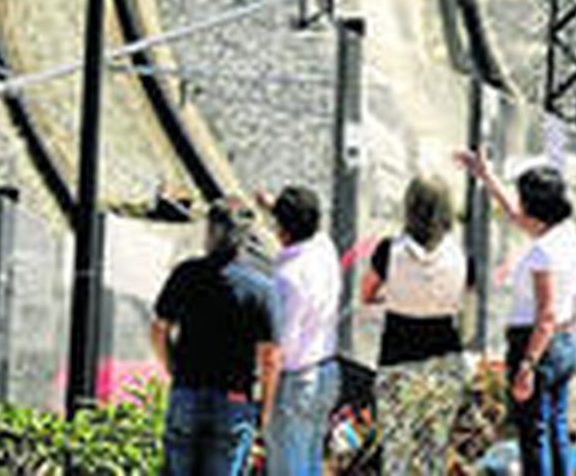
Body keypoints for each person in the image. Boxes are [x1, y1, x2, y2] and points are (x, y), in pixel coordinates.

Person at [456, 152, 576, 476]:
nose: (519, 207)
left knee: (533, 435)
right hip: (566, 341)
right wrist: (486, 176)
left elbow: (545, 315)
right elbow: (517, 217)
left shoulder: (544, 252)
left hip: (537, 344)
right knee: (555, 426)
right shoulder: (566, 234)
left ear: (535, 209)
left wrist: (527, 365)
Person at [152, 198, 282, 476]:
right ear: (244, 239)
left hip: (187, 391)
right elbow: (270, 357)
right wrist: (265, 409)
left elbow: (159, 329)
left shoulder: (185, 275)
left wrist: (172, 368)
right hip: (234, 399)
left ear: (209, 232)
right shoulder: (260, 289)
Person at [263, 186, 342, 476]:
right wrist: (273, 207)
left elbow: (278, 349)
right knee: (309, 465)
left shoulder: (287, 279)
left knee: (288, 468)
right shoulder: (325, 248)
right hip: (326, 373)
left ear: (282, 230)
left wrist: (264, 404)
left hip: (294, 383)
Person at [359, 175, 470, 366]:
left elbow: (366, 293)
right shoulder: (461, 256)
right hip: (444, 355)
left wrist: (392, 298)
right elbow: (467, 311)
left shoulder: (389, 250)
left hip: (398, 353)